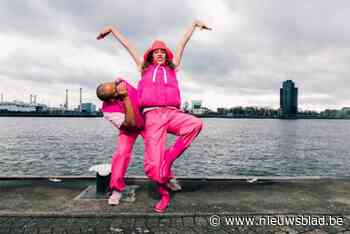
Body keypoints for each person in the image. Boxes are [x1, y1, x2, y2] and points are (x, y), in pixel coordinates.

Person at [97, 20, 211, 212]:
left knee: (193, 126)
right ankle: (125, 190)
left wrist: (192, 26)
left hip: (165, 114)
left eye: (162, 51)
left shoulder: (170, 68)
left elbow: (181, 44)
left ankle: (166, 169)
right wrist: (113, 30)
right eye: (155, 52)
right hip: (138, 121)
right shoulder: (112, 108)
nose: (159, 53)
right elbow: (129, 47)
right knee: (130, 156)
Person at [96, 79, 143, 205]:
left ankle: (167, 178)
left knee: (156, 150)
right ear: (112, 99)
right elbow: (130, 124)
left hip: (147, 122)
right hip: (129, 128)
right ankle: (116, 190)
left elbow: (141, 95)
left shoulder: (120, 83)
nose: (118, 87)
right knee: (121, 154)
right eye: (115, 89)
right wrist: (125, 96)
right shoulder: (108, 111)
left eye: (113, 85)